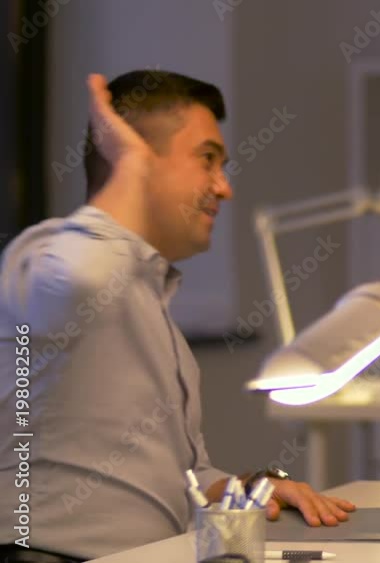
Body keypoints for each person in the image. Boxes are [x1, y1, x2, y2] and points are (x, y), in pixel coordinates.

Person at [0, 70, 355, 562]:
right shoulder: (42, 255)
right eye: (207, 159)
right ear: (133, 157)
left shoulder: (151, 303)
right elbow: (81, 277)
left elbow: (182, 481)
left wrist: (250, 488)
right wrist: (130, 165)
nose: (224, 187)